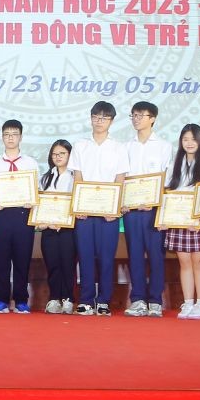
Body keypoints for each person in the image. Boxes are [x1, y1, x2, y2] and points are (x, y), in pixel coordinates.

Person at [73, 100, 128, 316]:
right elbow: (78, 177)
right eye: (96, 117)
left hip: (108, 213)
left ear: (111, 121)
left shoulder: (119, 147)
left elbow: (120, 179)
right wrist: (79, 205)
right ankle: (86, 300)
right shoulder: (80, 145)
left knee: (106, 258)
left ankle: (104, 300)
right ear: (91, 119)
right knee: (85, 256)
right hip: (85, 212)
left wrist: (114, 208)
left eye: (104, 118)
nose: (99, 121)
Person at [123, 101, 174, 317]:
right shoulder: (126, 146)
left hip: (154, 209)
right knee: (134, 255)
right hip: (132, 210)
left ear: (152, 118)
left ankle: (155, 300)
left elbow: (168, 179)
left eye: (141, 115)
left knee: (156, 255)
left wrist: (155, 199)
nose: (136, 119)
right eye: (133, 115)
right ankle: (137, 299)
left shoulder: (164, 146)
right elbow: (122, 177)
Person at [0, 119, 39, 314]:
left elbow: (35, 190)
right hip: (1, 215)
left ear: (21, 137)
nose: (10, 138)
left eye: (14, 134)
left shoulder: (30, 163)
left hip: (23, 215)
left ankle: (21, 300)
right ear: (2, 137)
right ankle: (1, 300)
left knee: (22, 259)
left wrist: (31, 200)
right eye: (7, 134)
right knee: (1, 259)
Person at [164, 124, 200, 320]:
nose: (189, 143)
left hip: (198, 220)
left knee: (198, 262)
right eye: (185, 139)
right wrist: (165, 217)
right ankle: (188, 302)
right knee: (184, 262)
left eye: (193, 139)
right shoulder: (173, 165)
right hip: (178, 221)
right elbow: (168, 192)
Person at [36, 140, 78, 314]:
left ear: (70, 155)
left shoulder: (76, 177)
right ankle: (54, 298)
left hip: (68, 229)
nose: (58, 157)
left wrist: (65, 220)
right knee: (52, 264)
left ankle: (68, 299)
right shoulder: (45, 177)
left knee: (68, 264)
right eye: (54, 154)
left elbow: (78, 201)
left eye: (62, 153)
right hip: (48, 229)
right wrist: (41, 222)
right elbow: (39, 203)